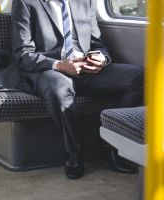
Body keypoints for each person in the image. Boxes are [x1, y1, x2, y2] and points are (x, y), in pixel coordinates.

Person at [11, 0, 143, 179]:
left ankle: (109, 146)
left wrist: (101, 59)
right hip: (50, 69)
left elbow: (98, 44)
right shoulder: (26, 3)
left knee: (139, 76)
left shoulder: (84, 1)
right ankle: (74, 151)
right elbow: (23, 53)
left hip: (86, 70)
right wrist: (59, 65)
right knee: (59, 90)